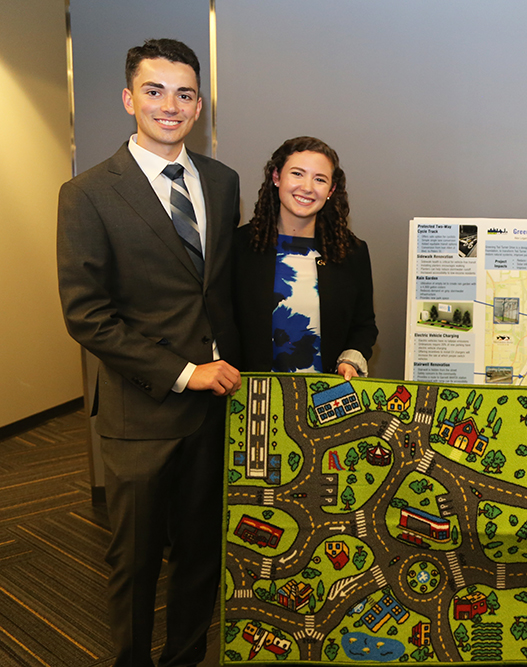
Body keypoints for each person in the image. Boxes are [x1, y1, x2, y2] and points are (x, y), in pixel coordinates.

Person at [56, 39, 241, 666]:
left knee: (200, 555)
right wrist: (185, 372)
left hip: (217, 411)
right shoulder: (87, 193)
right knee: (133, 565)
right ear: (129, 98)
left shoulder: (221, 181)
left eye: (185, 93)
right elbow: (88, 316)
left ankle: (185, 658)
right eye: (155, 90)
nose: (171, 105)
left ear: (200, 106)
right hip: (141, 414)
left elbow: (219, 290)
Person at [234, 136, 378, 377]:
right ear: (276, 177)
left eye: (320, 179)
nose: (308, 187)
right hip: (251, 398)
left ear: (331, 190)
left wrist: (351, 360)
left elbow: (363, 326)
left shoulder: (351, 252)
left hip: (325, 399)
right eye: (297, 174)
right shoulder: (238, 246)